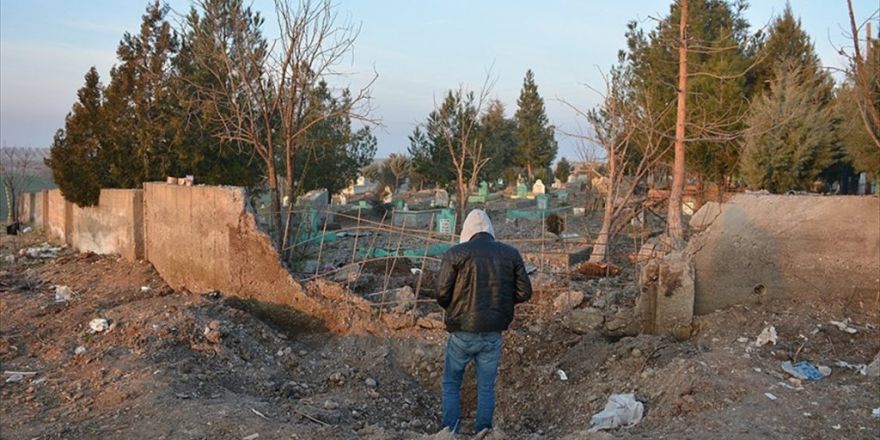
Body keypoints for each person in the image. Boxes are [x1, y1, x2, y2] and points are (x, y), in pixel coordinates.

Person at [436, 209, 532, 433]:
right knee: (486, 387)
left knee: (451, 384)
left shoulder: (455, 254)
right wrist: (501, 304)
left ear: (467, 230)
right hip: (493, 332)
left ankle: (450, 432)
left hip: (461, 331)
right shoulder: (510, 254)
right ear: (490, 229)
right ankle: (484, 432)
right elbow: (525, 292)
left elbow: (441, 293)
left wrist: (455, 308)